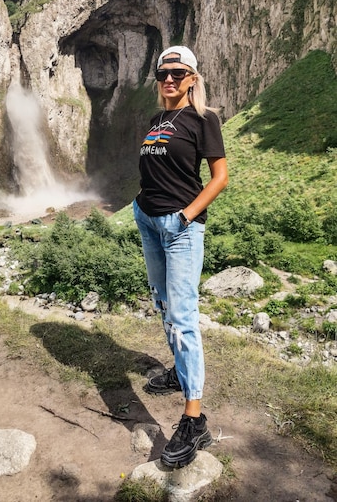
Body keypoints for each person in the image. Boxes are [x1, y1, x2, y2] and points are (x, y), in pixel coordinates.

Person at [133, 45, 228, 469]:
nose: (168, 79)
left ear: (192, 77)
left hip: (180, 229)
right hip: (148, 220)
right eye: (162, 73)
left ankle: (194, 420)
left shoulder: (204, 119)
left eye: (177, 72)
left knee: (185, 318)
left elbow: (220, 177)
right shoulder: (157, 120)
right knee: (164, 304)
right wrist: (140, 206)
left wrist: (185, 216)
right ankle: (179, 371)